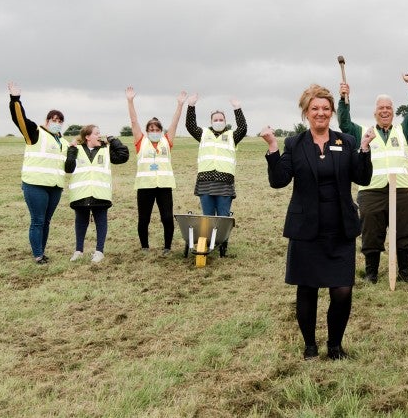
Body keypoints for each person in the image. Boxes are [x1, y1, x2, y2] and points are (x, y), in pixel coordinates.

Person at [261, 84, 374, 361]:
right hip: (306, 230)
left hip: (340, 228)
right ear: (306, 112)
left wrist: (364, 149)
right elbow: (279, 181)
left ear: (332, 112)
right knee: (308, 288)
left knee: (342, 291)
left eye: (325, 108)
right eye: (315, 109)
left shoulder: (345, 141)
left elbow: (363, 178)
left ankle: (335, 347)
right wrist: (273, 148)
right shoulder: (295, 144)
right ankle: (310, 346)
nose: (320, 113)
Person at [337, 74, 408, 283]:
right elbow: (344, 123)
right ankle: (371, 273)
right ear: (375, 112)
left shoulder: (403, 130)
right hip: (370, 191)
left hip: (401, 189)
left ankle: (404, 271)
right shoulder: (362, 132)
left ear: (393, 112)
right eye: (381, 108)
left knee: (404, 230)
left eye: (388, 108)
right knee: (371, 232)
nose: (385, 111)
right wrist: (343, 99)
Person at [8, 81, 68, 264]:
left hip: (55, 186)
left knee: (47, 221)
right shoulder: (35, 134)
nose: (56, 123)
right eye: (53, 120)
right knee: (37, 220)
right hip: (35, 185)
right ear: (47, 121)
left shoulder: (63, 142)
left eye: (59, 121)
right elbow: (20, 119)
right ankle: (37, 255)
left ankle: (42, 251)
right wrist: (15, 99)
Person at [126, 87, 187, 254]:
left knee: (167, 218)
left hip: (164, 185)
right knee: (143, 219)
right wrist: (130, 101)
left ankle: (167, 247)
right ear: (147, 131)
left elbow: (175, 122)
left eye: (157, 129)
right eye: (151, 130)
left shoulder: (167, 141)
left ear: (161, 131)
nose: (154, 132)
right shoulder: (141, 141)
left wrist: (180, 105)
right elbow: (133, 121)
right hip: (145, 186)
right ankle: (145, 247)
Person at [185, 95, 247, 256]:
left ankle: (223, 246)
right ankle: (208, 243)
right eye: (216, 119)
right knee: (207, 218)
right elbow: (190, 125)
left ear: (225, 121)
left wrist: (237, 108)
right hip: (205, 183)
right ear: (211, 121)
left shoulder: (233, 135)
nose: (218, 121)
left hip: (224, 184)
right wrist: (191, 106)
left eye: (221, 119)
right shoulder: (203, 134)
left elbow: (243, 128)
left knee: (223, 217)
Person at [65, 125, 130, 263]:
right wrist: (71, 150)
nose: (99, 135)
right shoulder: (76, 149)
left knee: (101, 222)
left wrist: (113, 140)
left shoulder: (106, 149)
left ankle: (99, 251)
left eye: (99, 133)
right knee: (81, 222)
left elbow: (123, 156)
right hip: (80, 194)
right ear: (87, 137)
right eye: (96, 133)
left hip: (100, 193)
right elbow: (69, 168)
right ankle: (78, 251)